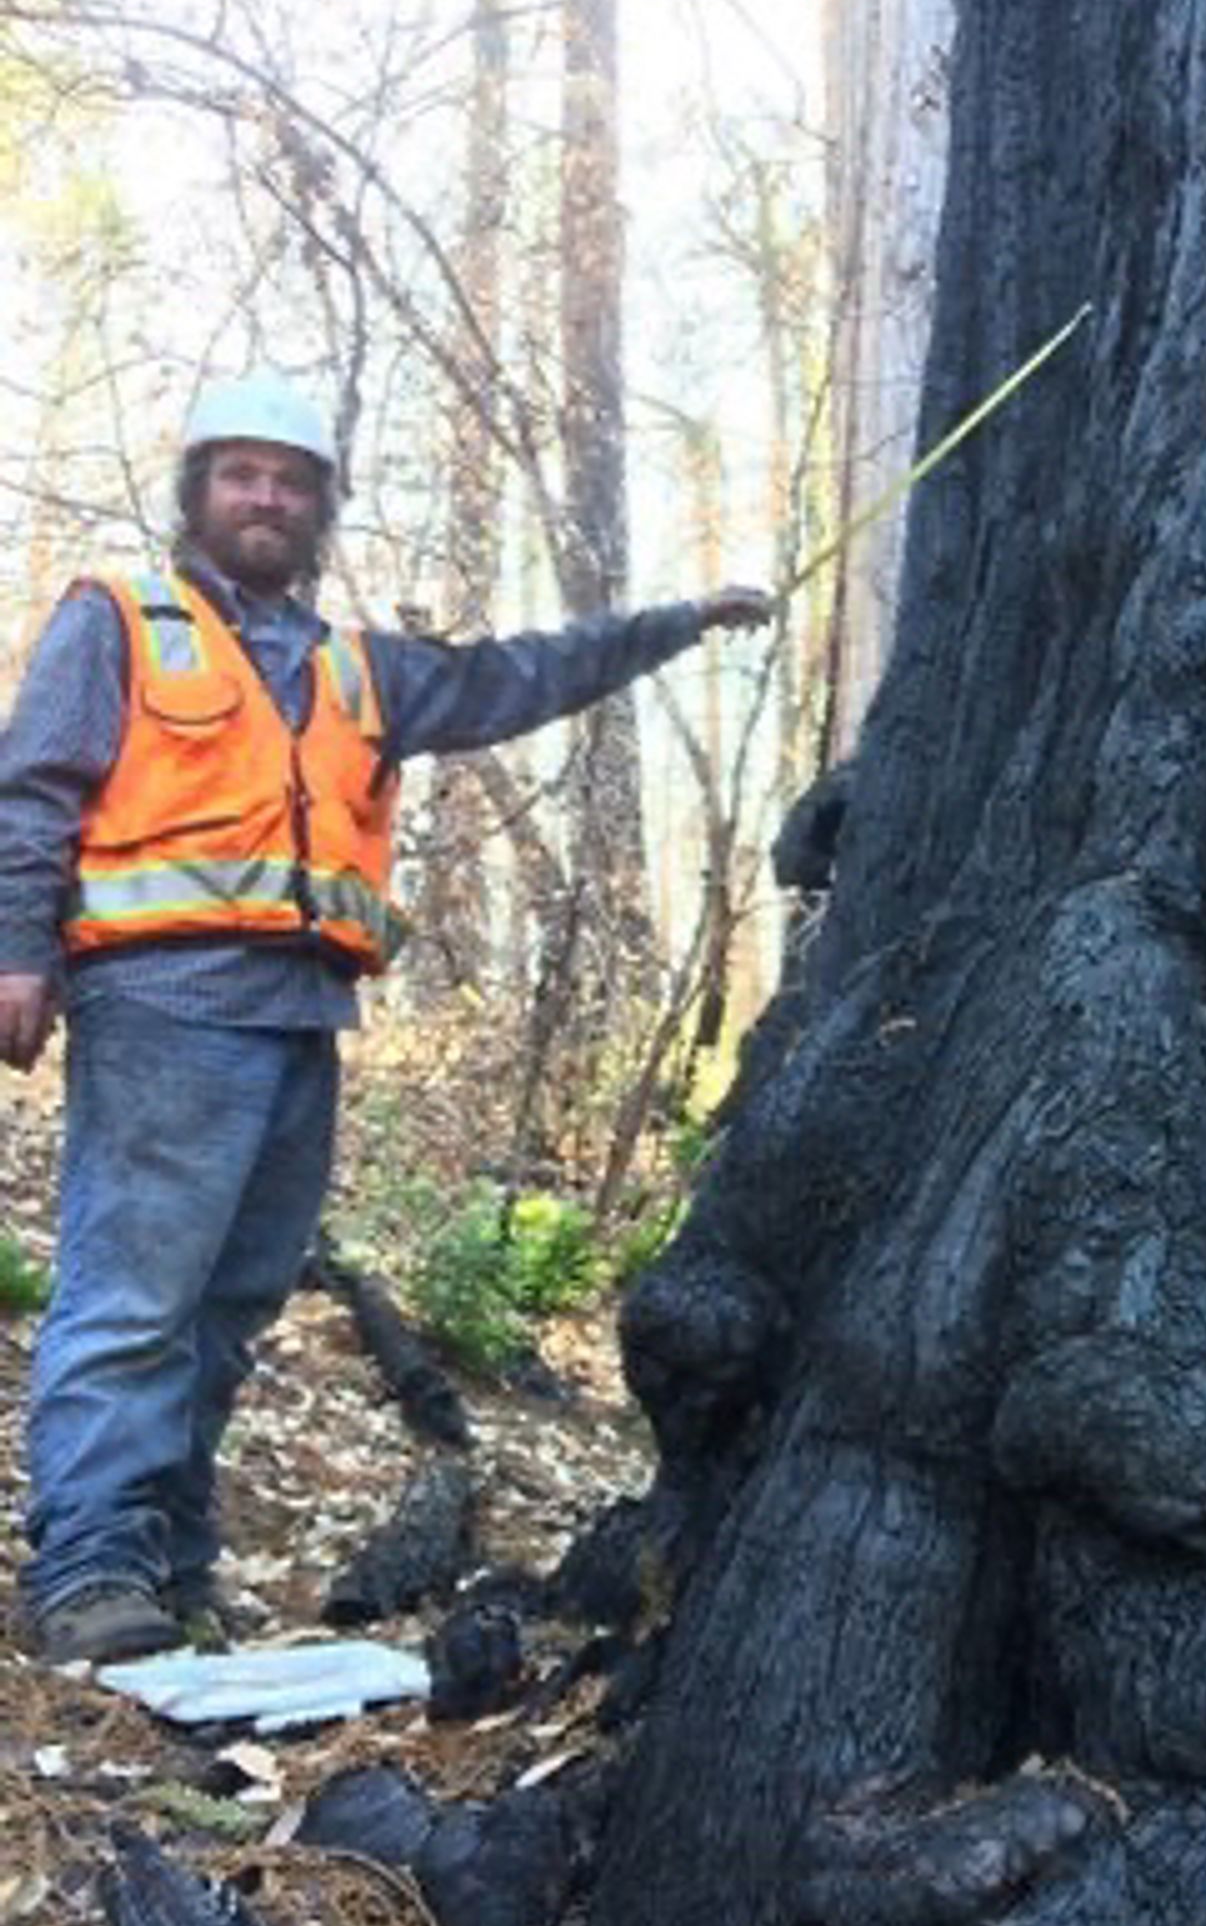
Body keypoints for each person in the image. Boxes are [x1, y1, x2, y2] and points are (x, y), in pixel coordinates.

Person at [0, 371, 771, 1664]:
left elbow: (519, 677)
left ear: (321, 511)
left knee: (229, 1313)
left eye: (292, 481)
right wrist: (17, 947)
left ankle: (171, 1568)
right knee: (135, 1301)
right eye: (243, 474)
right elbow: (32, 793)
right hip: (162, 1008)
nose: (267, 497)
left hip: (303, 1018)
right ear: (198, 493)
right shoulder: (121, 622)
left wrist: (680, 622)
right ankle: (86, 1569)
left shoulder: (356, 668)